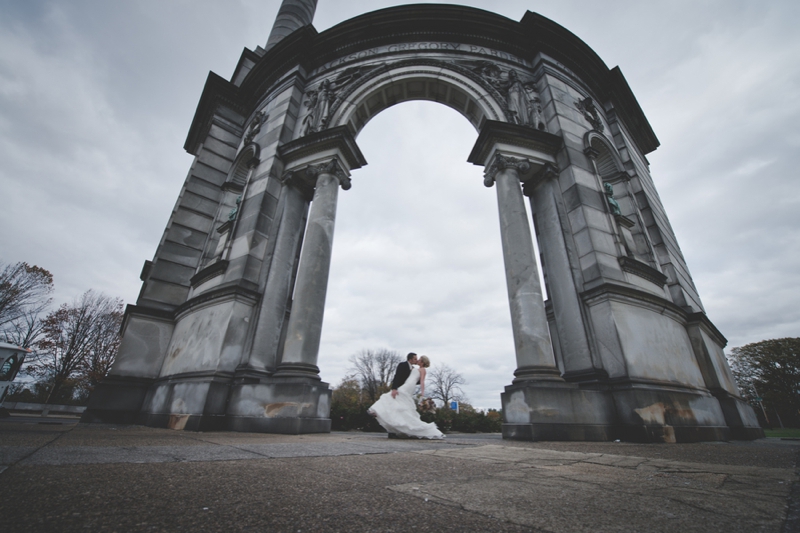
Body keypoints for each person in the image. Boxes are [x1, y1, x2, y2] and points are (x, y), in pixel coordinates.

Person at [368, 354, 444, 440]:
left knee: (391, 398)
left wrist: (422, 394)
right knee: (395, 402)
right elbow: (399, 376)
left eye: (419, 359)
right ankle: (379, 414)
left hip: (409, 387)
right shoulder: (412, 368)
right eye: (416, 359)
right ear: (411, 359)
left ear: (422, 362)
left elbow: (421, 382)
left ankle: (375, 410)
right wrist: (394, 388)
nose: (417, 360)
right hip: (406, 385)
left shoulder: (422, 370)